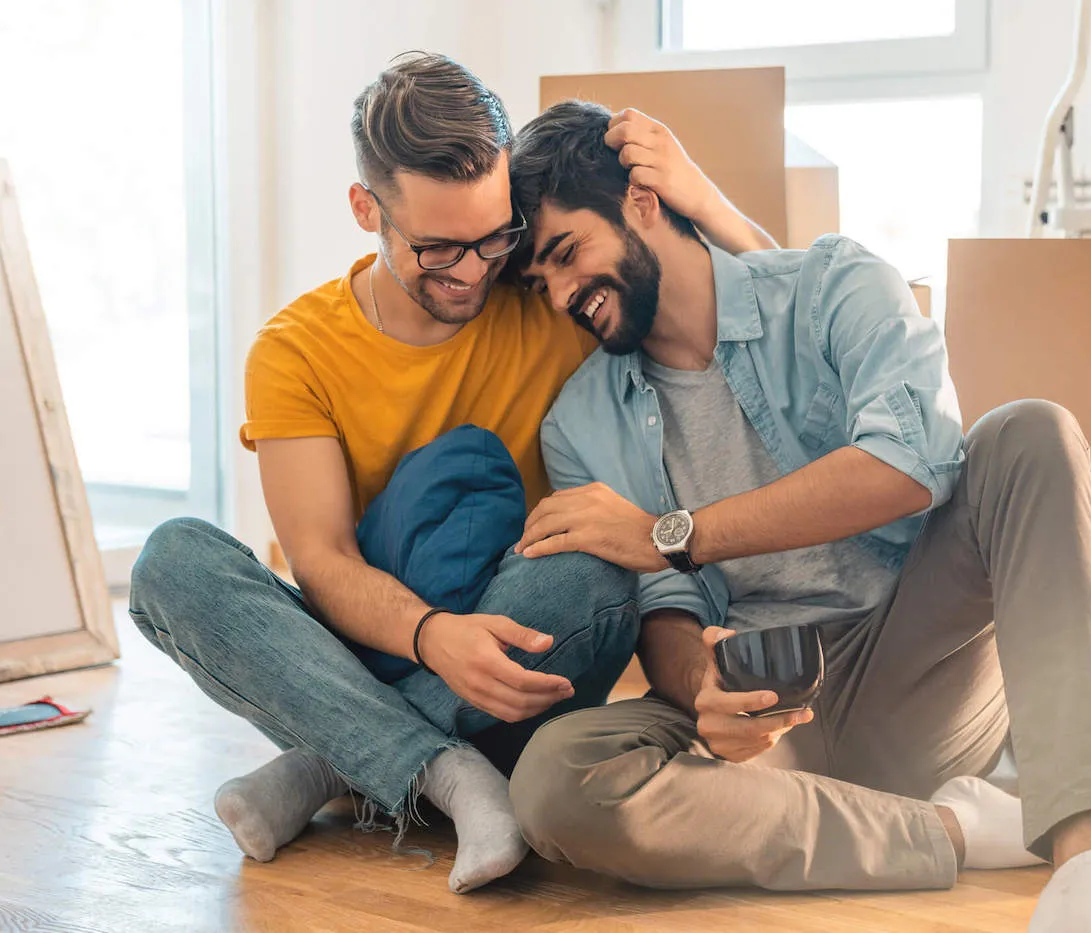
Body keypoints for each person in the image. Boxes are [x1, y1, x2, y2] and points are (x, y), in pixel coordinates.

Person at [501, 99, 1091, 932]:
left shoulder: (834, 285)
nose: (565, 292)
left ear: (642, 200)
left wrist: (673, 534)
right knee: (554, 780)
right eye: (542, 283)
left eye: (568, 253)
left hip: (917, 669)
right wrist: (703, 688)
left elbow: (911, 462)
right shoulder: (579, 422)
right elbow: (661, 608)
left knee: (1031, 432)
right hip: (769, 722)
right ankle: (964, 831)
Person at [125, 54, 777, 895]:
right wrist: (435, 635)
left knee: (591, 570)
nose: (473, 270)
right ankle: (451, 773)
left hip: (520, 641)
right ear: (367, 210)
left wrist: (705, 201)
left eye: (492, 236)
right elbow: (321, 564)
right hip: (373, 647)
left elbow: (759, 317)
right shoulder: (295, 351)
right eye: (437, 248)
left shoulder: (546, 287)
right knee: (172, 559)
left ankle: (333, 766)